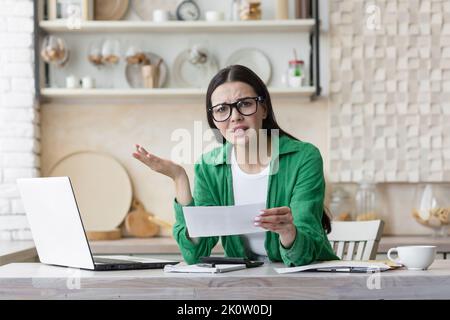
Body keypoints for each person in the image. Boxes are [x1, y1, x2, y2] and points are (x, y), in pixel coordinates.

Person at [132, 65, 338, 266]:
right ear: (214, 120)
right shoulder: (209, 167)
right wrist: (179, 178)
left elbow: (304, 256)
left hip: (309, 281)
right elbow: (195, 253)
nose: (235, 116)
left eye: (245, 104)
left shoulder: (303, 158)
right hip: (244, 284)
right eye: (222, 109)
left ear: (264, 108)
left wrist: (288, 231)